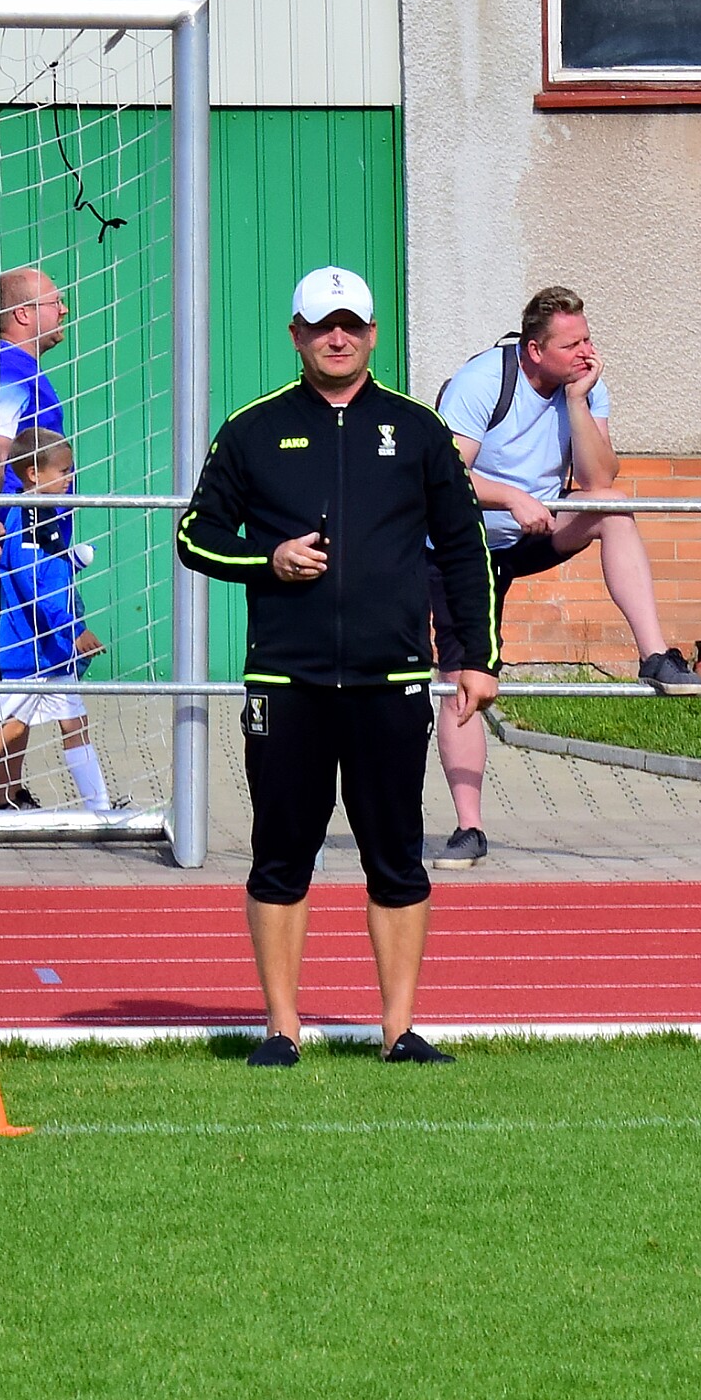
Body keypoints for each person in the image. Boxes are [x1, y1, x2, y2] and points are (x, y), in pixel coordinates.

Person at [176, 265, 498, 1069]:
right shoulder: (252, 429)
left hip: (391, 681)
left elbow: (465, 548)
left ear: (372, 333)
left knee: (396, 857)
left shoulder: (418, 430)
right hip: (287, 681)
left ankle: (399, 1030)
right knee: (281, 856)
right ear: (297, 335)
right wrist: (268, 559)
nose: (338, 337)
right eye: (323, 325)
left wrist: (478, 660)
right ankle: (280, 1029)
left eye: (351, 323)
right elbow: (195, 535)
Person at [428, 286, 699, 869]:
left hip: (537, 528)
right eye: (571, 344)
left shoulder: (587, 383)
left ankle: (655, 655)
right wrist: (511, 497)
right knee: (461, 679)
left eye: (587, 339)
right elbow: (444, 477)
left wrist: (578, 401)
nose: (586, 352)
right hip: (464, 542)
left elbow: (599, 479)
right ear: (534, 350)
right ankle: (470, 828)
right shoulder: (483, 382)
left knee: (613, 507)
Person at [0, 428, 113, 812]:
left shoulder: (44, 515)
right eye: (64, 471)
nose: (70, 478)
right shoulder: (28, 519)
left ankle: (100, 809)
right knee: (10, 729)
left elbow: (48, 571)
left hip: (52, 653)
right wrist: (75, 629)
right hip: (30, 652)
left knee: (74, 725)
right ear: (34, 474)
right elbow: (33, 584)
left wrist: (73, 560)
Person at [0, 267, 70, 807]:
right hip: (13, 547)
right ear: (24, 313)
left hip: (35, 544)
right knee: (33, 669)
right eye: (55, 301)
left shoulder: (24, 369)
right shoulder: (1, 370)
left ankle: (2, 790)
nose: (64, 310)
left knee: (34, 668)